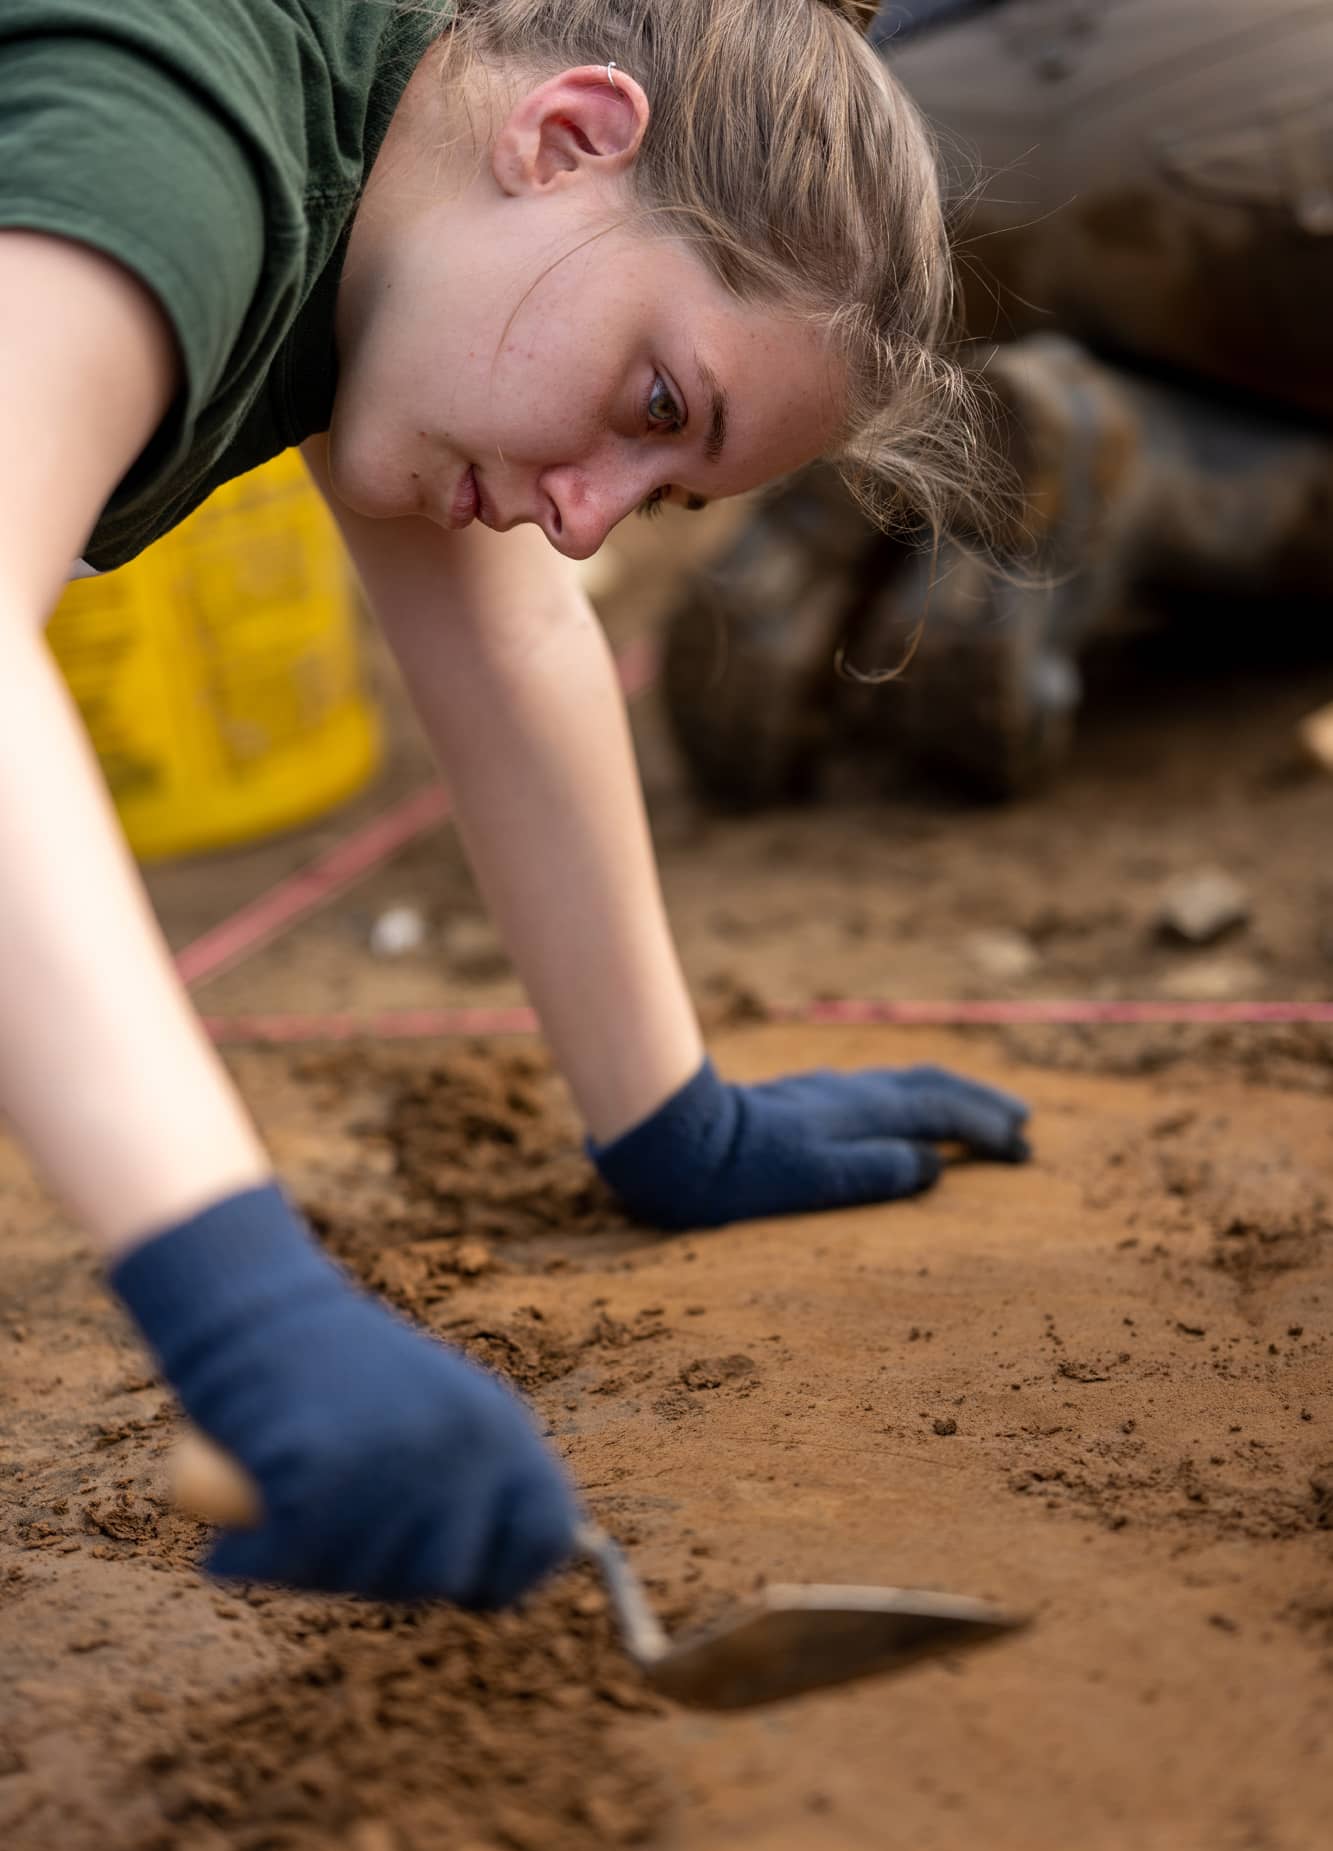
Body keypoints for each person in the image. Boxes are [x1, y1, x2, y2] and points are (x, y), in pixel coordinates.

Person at [0, 0, 1030, 1612]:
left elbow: (510, 626)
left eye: (665, 493)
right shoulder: (181, 140)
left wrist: (666, 1114)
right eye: (655, 407)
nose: (583, 521)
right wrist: (244, 1306)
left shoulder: (396, 228)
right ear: (564, 140)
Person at [662, 0, 1333, 801]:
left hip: (907, 129)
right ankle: (1143, 468)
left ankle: (906, 429)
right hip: (1266, 91)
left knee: (864, 318)